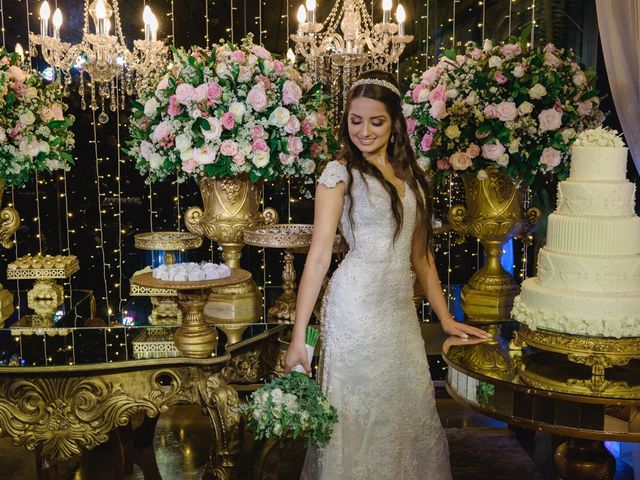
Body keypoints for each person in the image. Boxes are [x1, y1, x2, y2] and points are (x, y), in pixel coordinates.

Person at [284, 69, 488, 480]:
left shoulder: (410, 172)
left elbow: (422, 258)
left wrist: (447, 319)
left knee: (406, 412)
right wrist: (298, 338)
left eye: (376, 121)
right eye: (355, 121)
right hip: (353, 312)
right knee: (357, 419)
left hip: (398, 316)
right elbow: (320, 256)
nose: (364, 131)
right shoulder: (338, 174)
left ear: (395, 122)